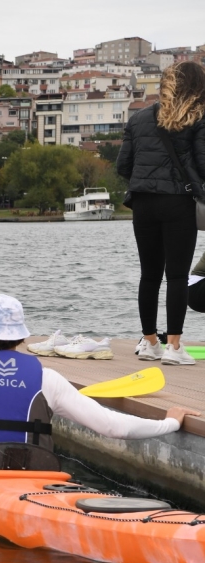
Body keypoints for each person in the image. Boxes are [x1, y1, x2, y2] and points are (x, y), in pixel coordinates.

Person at [0, 294, 199, 470]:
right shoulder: (48, 379)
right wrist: (169, 423)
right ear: (20, 337)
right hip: (33, 479)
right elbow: (113, 427)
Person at [116, 61, 205, 366]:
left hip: (142, 202)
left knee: (149, 275)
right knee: (177, 275)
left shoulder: (139, 118)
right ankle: (175, 347)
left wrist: (146, 182)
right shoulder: (197, 118)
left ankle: (151, 341)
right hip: (178, 201)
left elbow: (122, 166)